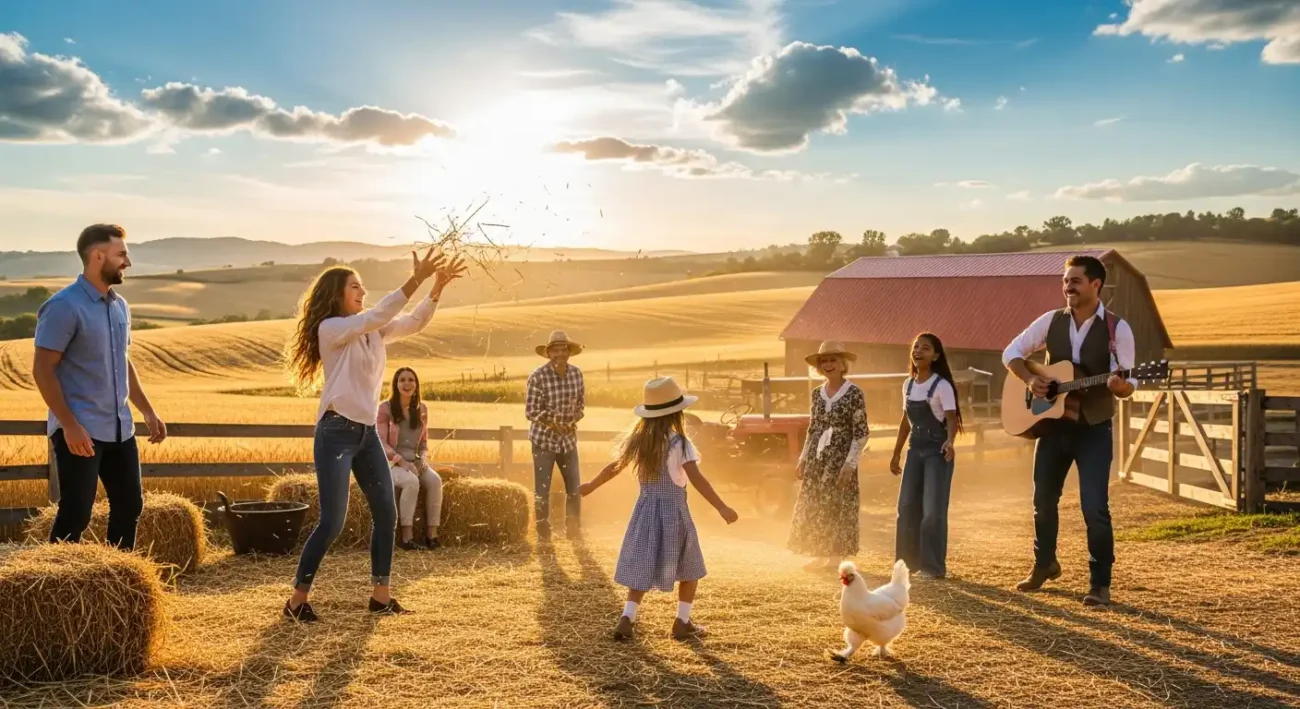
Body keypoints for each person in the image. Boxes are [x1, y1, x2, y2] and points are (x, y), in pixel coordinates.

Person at [281, 248, 466, 622]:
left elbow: (414, 322)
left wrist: (436, 288)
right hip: (335, 432)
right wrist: (415, 279)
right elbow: (380, 314)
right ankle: (297, 600)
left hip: (366, 434)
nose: (361, 292)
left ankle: (381, 596)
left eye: (363, 287)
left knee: (387, 513)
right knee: (332, 522)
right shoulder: (332, 329)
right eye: (354, 287)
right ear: (336, 294)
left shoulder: (372, 331)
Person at [1002, 254, 1137, 607]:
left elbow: (1129, 380)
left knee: (1094, 507)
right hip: (1051, 428)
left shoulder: (1117, 328)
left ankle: (1100, 583)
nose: (1068, 287)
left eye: (1075, 281)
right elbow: (1011, 351)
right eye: (1065, 281)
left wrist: (1122, 387)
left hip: (1093, 428)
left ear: (1096, 284)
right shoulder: (1050, 321)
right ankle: (1044, 564)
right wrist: (1031, 378)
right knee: (1042, 502)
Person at [32, 224, 167, 551]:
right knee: (76, 514)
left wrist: (147, 410)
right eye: (121, 254)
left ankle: (119, 582)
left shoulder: (120, 306)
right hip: (81, 432)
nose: (127, 263)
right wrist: (70, 426)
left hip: (120, 427)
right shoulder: (64, 306)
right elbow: (42, 370)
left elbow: (122, 362)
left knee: (130, 507)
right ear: (98, 255)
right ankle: (56, 585)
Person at [579, 377, 738, 642]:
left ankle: (627, 617)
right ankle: (682, 622)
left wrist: (591, 485)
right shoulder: (681, 444)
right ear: (677, 413)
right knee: (690, 567)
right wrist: (721, 506)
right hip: (674, 512)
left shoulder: (638, 442)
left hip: (644, 511)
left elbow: (613, 468)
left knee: (642, 562)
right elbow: (697, 479)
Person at [787, 341, 868, 572]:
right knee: (816, 505)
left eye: (833, 360)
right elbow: (814, 428)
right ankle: (819, 553)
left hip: (841, 458)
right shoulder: (816, 394)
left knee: (838, 505)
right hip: (817, 458)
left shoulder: (854, 393)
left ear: (843, 364)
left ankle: (835, 555)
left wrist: (849, 464)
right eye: (824, 361)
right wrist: (803, 458)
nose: (828, 364)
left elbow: (861, 432)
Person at [890, 333, 963, 580]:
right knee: (906, 506)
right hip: (915, 451)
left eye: (925, 348)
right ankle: (905, 565)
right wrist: (896, 453)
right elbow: (905, 422)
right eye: (915, 347)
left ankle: (932, 567)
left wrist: (950, 442)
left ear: (936, 356)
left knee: (932, 509)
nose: (918, 351)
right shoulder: (907, 385)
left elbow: (952, 419)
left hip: (937, 452)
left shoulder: (942, 385)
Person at [525, 330, 585, 542]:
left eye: (563, 349)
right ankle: (543, 534)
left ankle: (574, 531)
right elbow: (531, 411)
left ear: (569, 352)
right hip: (544, 440)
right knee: (542, 489)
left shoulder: (577, 374)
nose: (560, 353)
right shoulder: (538, 376)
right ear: (548, 353)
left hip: (568, 439)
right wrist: (554, 423)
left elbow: (580, 406)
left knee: (574, 487)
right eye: (555, 350)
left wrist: (571, 421)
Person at [378, 367, 443, 551]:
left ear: (416, 385)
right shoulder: (386, 408)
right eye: (402, 380)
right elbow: (381, 443)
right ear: (396, 384)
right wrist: (401, 461)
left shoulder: (421, 409)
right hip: (391, 463)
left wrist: (422, 459)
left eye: (411, 380)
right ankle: (406, 538)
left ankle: (432, 535)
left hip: (414, 462)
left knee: (435, 481)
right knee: (412, 482)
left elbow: (423, 442)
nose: (407, 384)